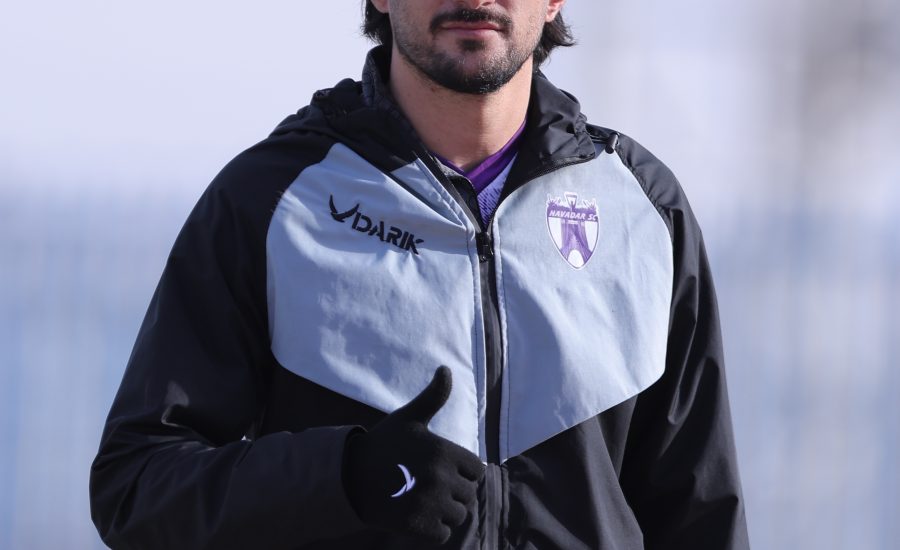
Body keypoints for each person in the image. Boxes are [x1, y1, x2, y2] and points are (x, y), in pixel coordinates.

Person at [89, 1, 751, 548]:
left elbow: (701, 516)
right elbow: (136, 488)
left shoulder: (641, 207)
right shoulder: (273, 200)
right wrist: (344, 479)